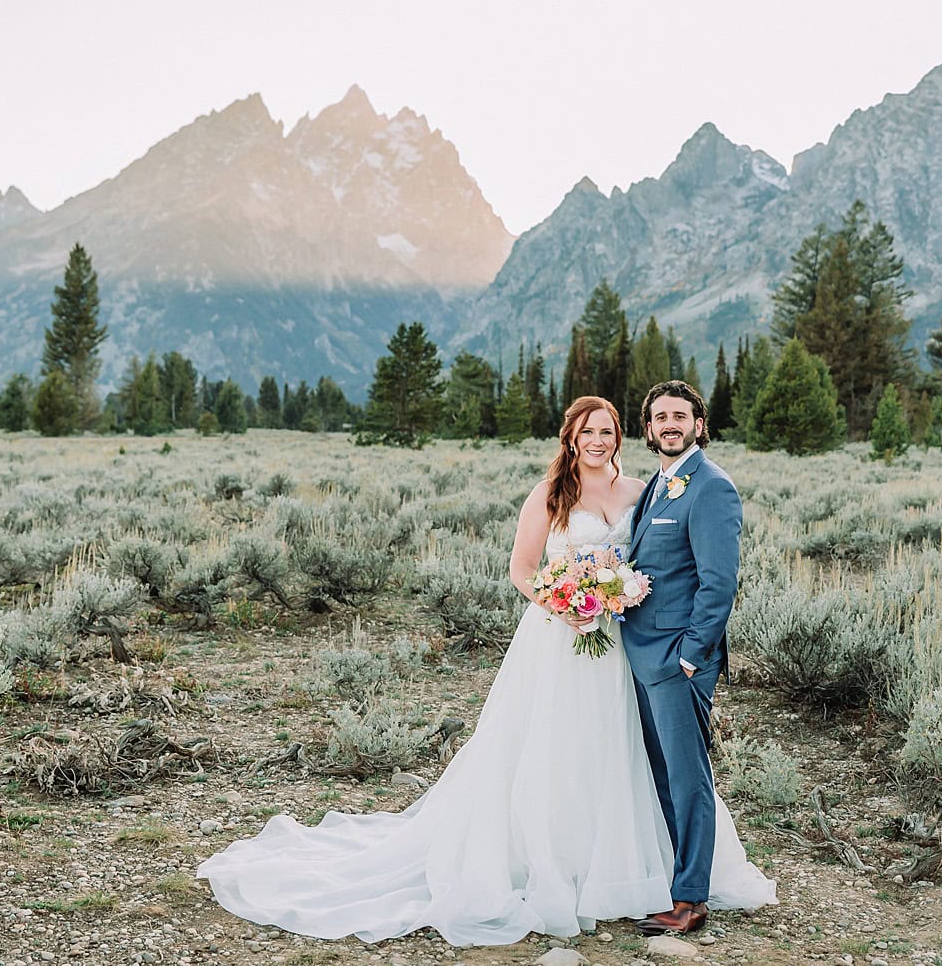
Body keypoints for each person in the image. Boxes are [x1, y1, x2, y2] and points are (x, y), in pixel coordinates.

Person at [196, 396, 774, 946]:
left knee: (619, 754)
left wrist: (630, 610)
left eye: (607, 431)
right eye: (587, 431)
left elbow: (666, 568)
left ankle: (637, 871)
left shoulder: (643, 491)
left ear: (628, 437)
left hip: (626, 644)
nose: (597, 440)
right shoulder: (551, 490)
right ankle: (556, 866)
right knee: (553, 749)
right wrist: (564, 603)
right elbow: (524, 569)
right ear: (570, 437)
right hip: (562, 640)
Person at [624, 380, 742, 935]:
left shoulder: (712, 488)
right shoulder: (660, 482)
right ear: (649, 429)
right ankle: (674, 878)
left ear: (699, 423)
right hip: (642, 654)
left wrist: (692, 657)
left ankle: (690, 900)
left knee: (688, 779)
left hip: (675, 660)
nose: (669, 424)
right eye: (659, 416)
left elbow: (718, 584)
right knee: (662, 775)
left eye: (680, 415)